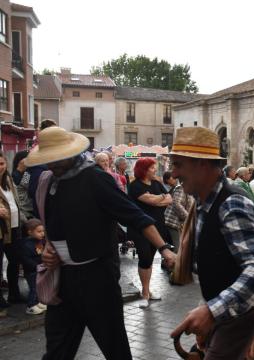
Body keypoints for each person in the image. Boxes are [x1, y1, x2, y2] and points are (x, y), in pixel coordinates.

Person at [25, 126, 175, 360]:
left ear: (70, 154)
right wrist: (47, 249)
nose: (51, 164)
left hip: (98, 279)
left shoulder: (96, 179)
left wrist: (165, 249)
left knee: (115, 349)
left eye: (56, 159)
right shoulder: (46, 182)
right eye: (48, 159)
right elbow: (49, 226)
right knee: (56, 352)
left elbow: (135, 216)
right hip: (62, 281)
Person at [168, 127, 254, 360]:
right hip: (226, 304)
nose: (173, 173)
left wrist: (211, 310)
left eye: (178, 165)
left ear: (202, 165)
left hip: (241, 312)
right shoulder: (204, 200)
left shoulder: (231, 204)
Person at [127, 157, 174, 308]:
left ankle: (147, 290)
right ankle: (145, 292)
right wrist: (160, 199)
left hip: (157, 227)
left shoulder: (156, 184)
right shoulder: (135, 186)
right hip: (140, 228)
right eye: (152, 168)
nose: (155, 170)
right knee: (145, 258)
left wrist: (157, 198)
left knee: (150, 257)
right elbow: (151, 201)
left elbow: (170, 199)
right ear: (144, 170)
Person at [0, 151, 26, 307]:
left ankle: (14, 293)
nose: (0, 167)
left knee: (15, 261)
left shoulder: (9, 179)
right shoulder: (17, 175)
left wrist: (26, 221)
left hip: (15, 227)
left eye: (2, 164)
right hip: (3, 229)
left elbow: (16, 202)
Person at [22, 218, 46, 315]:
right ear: (30, 232)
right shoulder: (26, 244)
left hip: (41, 268)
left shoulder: (41, 241)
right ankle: (31, 305)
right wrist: (36, 266)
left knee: (39, 287)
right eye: (39, 232)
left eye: (43, 231)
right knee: (34, 287)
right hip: (31, 271)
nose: (42, 234)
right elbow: (26, 259)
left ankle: (37, 302)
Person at [164, 172, 192, 253]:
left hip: (179, 223)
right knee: (178, 248)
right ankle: (174, 264)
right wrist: (188, 217)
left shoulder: (190, 188)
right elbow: (176, 204)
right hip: (173, 222)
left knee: (178, 247)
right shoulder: (181, 188)